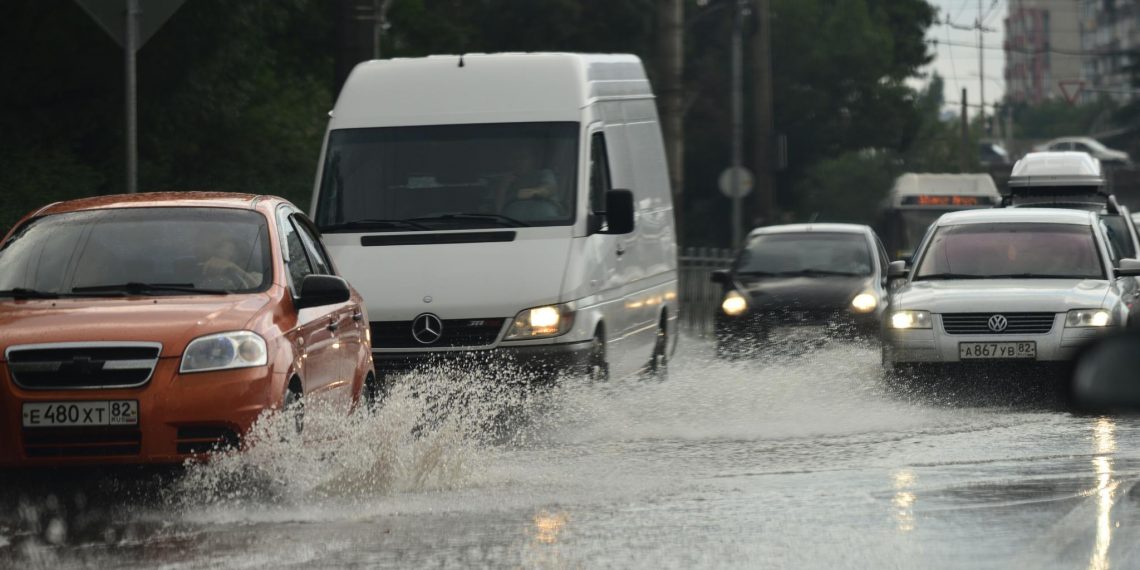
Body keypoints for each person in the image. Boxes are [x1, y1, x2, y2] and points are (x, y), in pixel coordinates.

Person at [494, 147, 562, 218]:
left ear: (533, 160)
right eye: (515, 158)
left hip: (548, 224)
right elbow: (498, 212)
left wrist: (533, 192)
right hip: (512, 225)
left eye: (523, 157)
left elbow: (549, 189)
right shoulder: (507, 182)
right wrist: (502, 187)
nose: (518, 161)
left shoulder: (544, 173)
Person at [197, 234, 261, 289]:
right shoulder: (199, 272)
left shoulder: (256, 277)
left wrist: (235, 269)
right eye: (218, 255)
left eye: (231, 251)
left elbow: (262, 293)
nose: (219, 263)